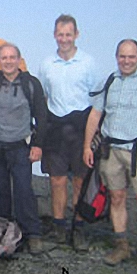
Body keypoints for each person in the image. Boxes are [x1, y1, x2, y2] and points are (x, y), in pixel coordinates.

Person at [83, 39, 137, 274]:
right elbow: (95, 114)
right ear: (116, 57)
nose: (126, 61)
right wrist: (86, 146)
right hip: (111, 150)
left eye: (131, 56)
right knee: (117, 198)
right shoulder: (110, 81)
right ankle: (121, 245)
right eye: (122, 56)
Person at [0, 43, 46, 254]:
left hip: (20, 146)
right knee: (0, 192)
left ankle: (32, 233)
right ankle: (4, 232)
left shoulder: (31, 84)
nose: (8, 61)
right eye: (4, 58)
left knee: (24, 191)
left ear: (19, 59)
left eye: (12, 57)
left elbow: (42, 115)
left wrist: (38, 144)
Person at [39, 15, 99, 250]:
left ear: (76, 35)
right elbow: (43, 97)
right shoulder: (47, 64)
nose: (64, 39)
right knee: (56, 180)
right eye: (60, 34)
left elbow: (97, 101)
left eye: (68, 34)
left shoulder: (88, 63)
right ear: (55, 35)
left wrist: (94, 135)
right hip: (55, 126)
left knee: (80, 180)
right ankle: (59, 225)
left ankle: (79, 227)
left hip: (81, 126)